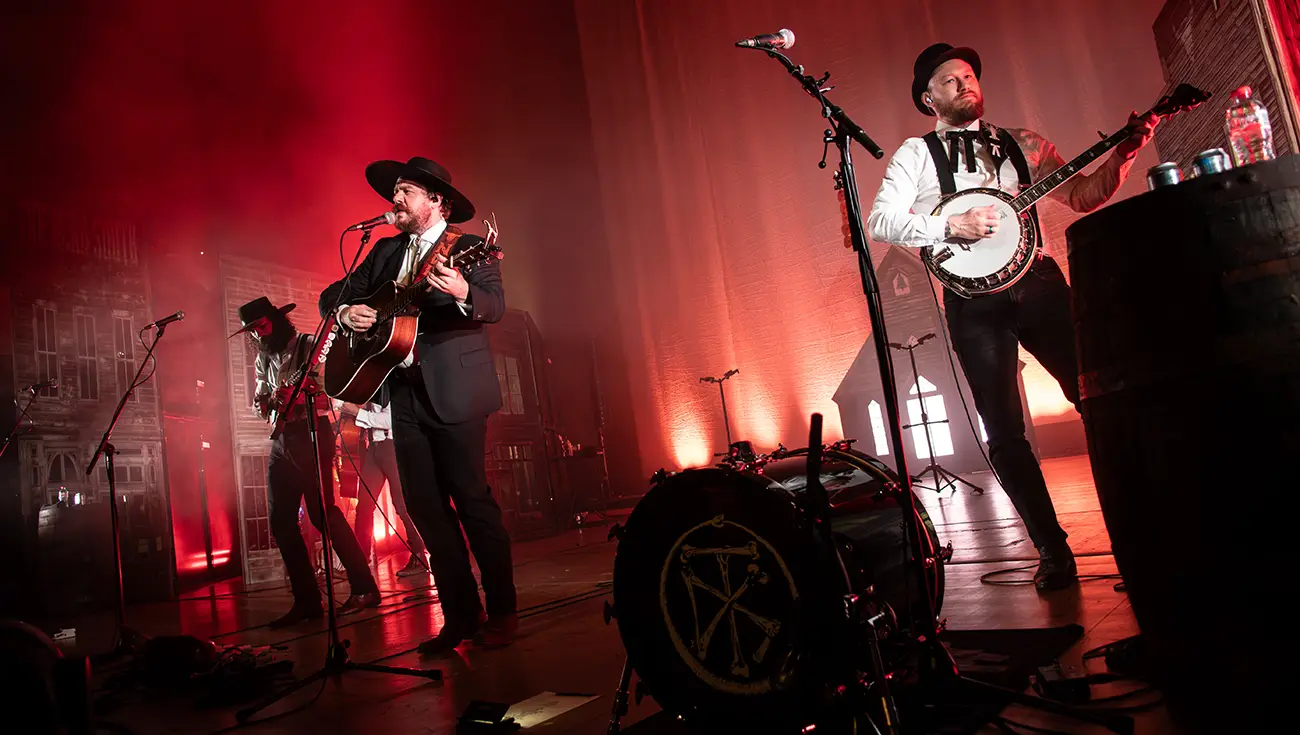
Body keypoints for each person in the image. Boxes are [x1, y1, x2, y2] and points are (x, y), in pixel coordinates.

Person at [866, 43, 1158, 591]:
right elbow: (881, 220)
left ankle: (1139, 534)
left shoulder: (1023, 143)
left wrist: (1123, 155)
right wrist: (948, 228)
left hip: (1040, 284)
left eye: (970, 75)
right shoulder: (915, 154)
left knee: (1097, 399)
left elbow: (1083, 195)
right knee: (1003, 431)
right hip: (973, 304)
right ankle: (1052, 549)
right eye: (949, 80)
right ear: (928, 98)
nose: (964, 84)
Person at [318, 157, 516, 654]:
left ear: (437, 202)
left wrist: (464, 289)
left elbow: (495, 306)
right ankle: (459, 617)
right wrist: (346, 311)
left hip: (458, 392)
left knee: (473, 504)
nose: (396, 200)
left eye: (407, 191)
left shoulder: (470, 248)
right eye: (396, 192)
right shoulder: (385, 253)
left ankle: (503, 612)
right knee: (426, 509)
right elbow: (331, 295)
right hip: (402, 396)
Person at [232, 296, 381, 626]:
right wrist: (273, 398)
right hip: (282, 438)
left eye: (261, 326)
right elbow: (258, 404)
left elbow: (335, 387)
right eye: (253, 330)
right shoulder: (263, 358)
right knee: (281, 521)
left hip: (312, 431)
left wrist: (306, 389)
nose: (258, 334)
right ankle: (307, 600)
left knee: (323, 514)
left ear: (276, 319)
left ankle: (364, 587)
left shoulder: (310, 345)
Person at [336, 397, 430, 577]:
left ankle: (419, 556)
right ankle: (360, 561)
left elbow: (389, 419)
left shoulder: (389, 386)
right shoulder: (369, 389)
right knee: (364, 506)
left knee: (401, 505)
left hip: (391, 446)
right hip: (374, 447)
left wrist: (357, 412)